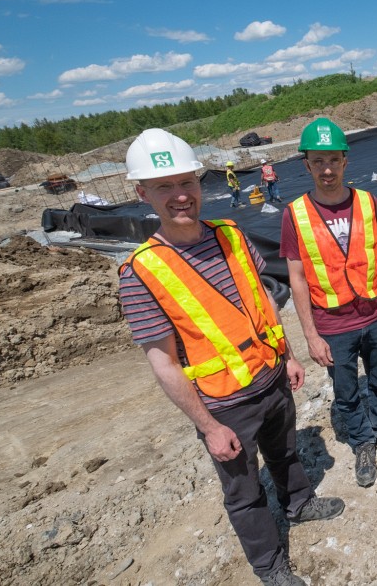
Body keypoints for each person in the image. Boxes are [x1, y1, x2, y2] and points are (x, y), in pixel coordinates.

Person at [118, 129, 343, 586]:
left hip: (272, 378)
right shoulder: (141, 272)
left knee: (285, 453)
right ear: (142, 193)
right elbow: (163, 363)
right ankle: (269, 565)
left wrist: (287, 355)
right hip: (224, 404)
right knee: (243, 491)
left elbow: (263, 298)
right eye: (164, 187)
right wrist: (209, 426)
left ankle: (299, 504)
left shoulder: (231, 234)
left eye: (187, 182)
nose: (181, 195)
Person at [281, 117, 377, 488]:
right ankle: (362, 442)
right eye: (318, 161)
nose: (327, 169)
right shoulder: (295, 214)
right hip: (333, 324)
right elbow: (296, 278)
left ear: (345, 161)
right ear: (307, 165)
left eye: (333, 160)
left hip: (373, 316)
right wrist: (311, 336)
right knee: (346, 391)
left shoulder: (367, 202)